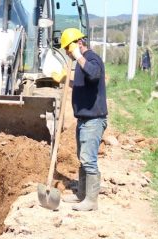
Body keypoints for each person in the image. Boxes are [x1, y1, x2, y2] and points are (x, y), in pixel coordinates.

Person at [52, 28, 107, 211]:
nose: (68, 53)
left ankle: (91, 201)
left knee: (89, 159)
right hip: (84, 119)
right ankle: (82, 196)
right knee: (82, 158)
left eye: (69, 49)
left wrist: (78, 55)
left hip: (93, 120)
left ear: (78, 43)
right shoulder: (82, 63)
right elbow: (85, 85)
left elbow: (94, 74)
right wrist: (66, 81)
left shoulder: (92, 59)